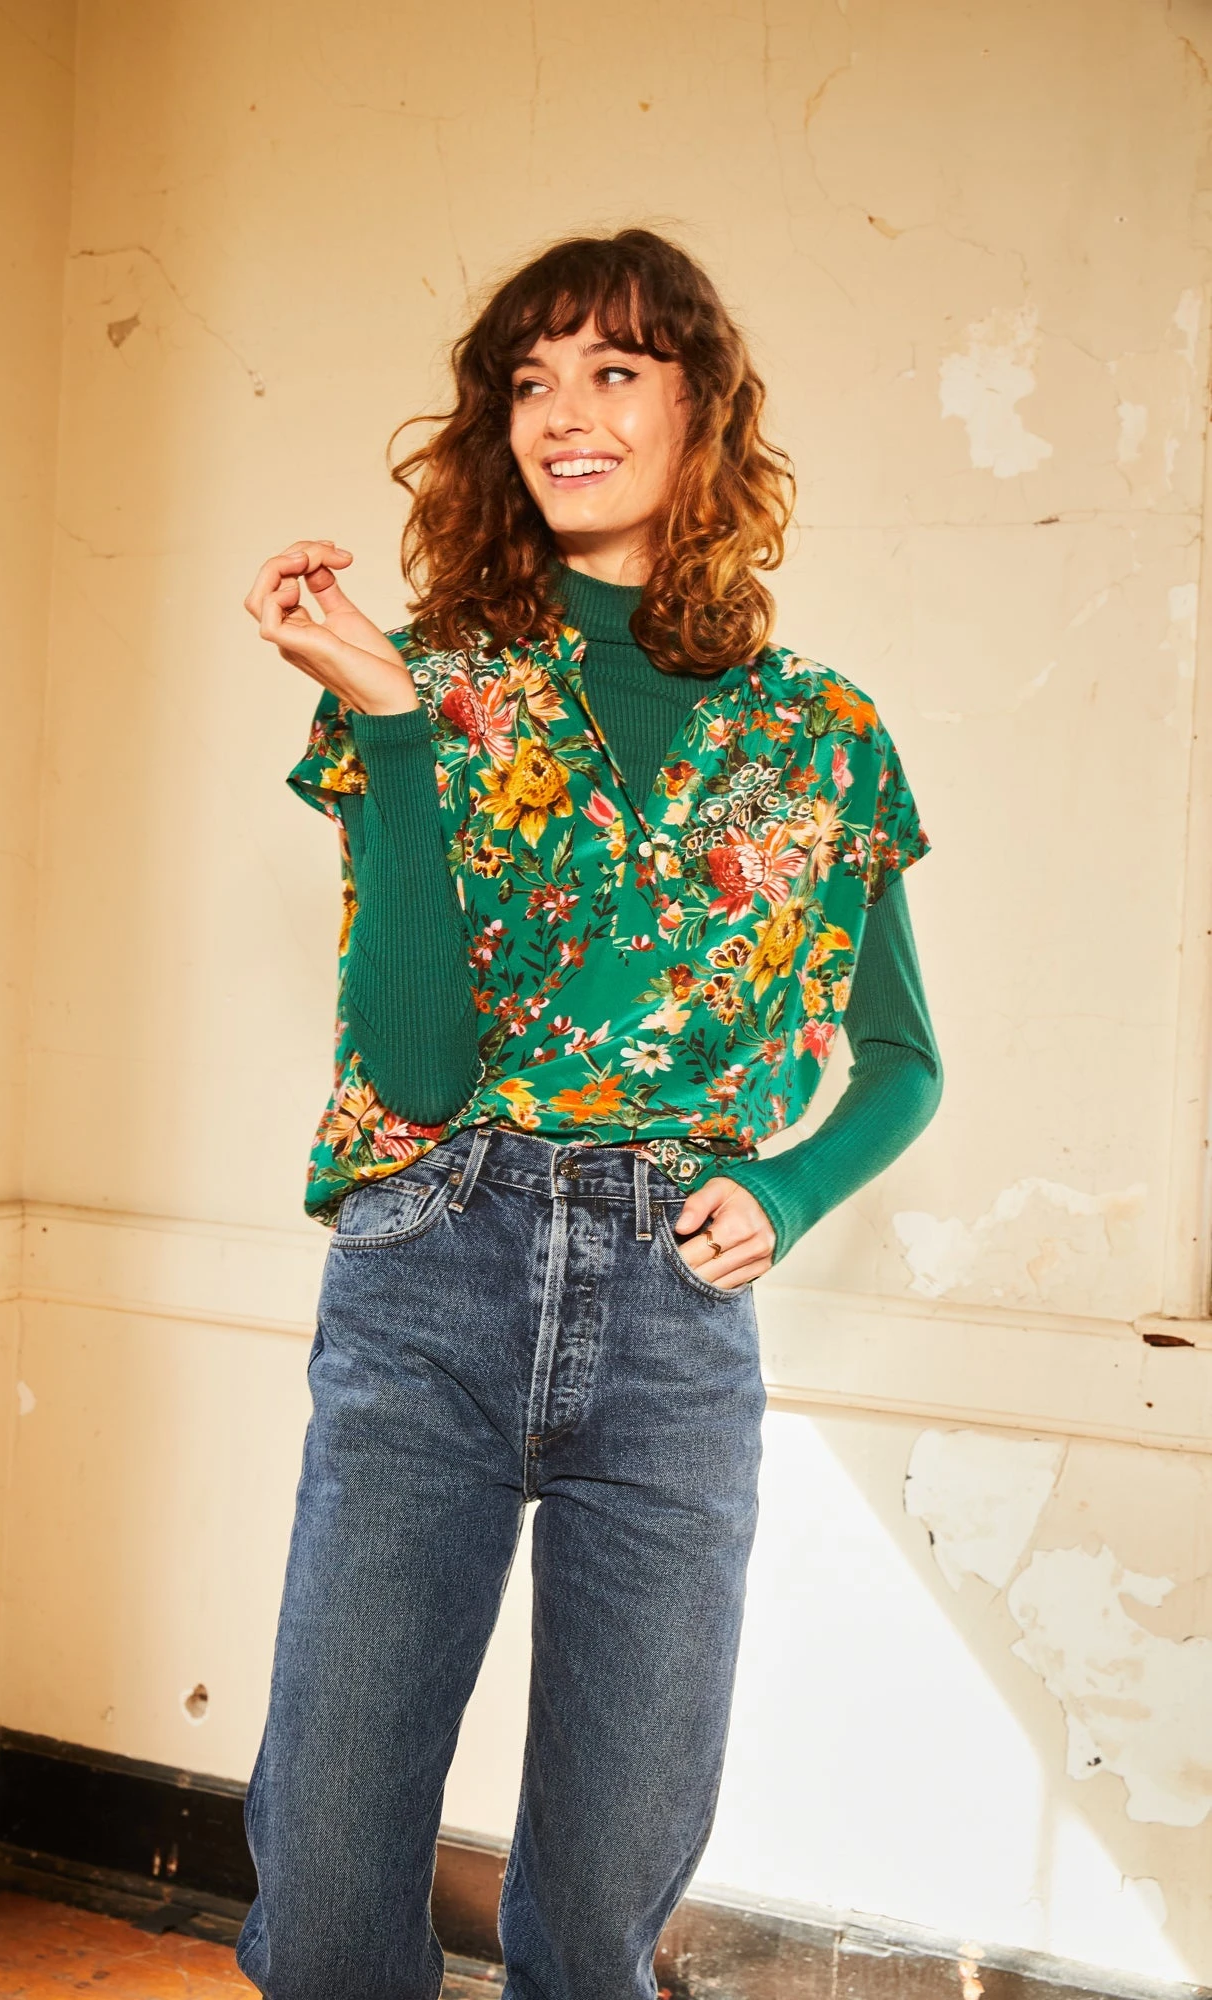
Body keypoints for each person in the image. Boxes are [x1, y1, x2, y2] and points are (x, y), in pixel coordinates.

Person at [236, 229, 941, 2000]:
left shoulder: (822, 734)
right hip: (431, 1267)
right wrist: (391, 722)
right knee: (327, 1875)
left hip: (672, 1311)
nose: (564, 412)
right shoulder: (423, 681)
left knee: (611, 1884)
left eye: (614, 371)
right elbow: (412, 1074)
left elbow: (902, 1058)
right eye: (528, 381)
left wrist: (789, 1190)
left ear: (702, 413)